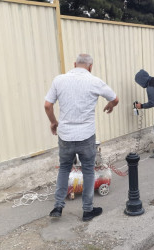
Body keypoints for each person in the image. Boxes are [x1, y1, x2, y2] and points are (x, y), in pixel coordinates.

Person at [44, 54, 119, 221]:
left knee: (64, 168)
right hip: (86, 135)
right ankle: (87, 210)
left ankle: (58, 206)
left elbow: (47, 105)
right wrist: (110, 105)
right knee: (88, 171)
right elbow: (115, 98)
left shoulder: (59, 80)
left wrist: (53, 122)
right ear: (90, 67)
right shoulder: (95, 81)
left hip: (65, 135)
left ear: (74, 64)